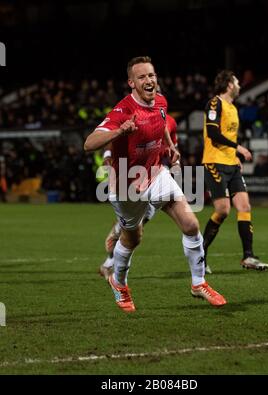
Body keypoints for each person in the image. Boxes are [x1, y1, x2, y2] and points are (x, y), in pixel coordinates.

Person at [84, 56, 226, 312]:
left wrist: (171, 149)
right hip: (126, 181)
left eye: (152, 75)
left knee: (191, 223)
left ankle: (198, 282)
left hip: (155, 172)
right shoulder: (122, 111)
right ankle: (118, 281)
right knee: (133, 238)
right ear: (131, 83)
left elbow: (160, 124)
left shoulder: (160, 101)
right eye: (142, 77)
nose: (149, 80)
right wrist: (119, 132)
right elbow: (89, 143)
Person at [202, 70, 268, 273]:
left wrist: (235, 156)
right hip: (214, 163)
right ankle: (200, 254)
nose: (240, 84)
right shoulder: (215, 103)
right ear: (230, 84)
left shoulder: (233, 107)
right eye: (237, 81)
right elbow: (213, 133)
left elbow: (227, 136)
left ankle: (248, 256)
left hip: (231, 164)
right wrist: (238, 148)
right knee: (223, 210)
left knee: (244, 206)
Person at [99, 113, 179, 280]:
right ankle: (111, 258)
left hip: (157, 172)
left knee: (143, 219)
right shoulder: (132, 117)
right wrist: (107, 157)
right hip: (134, 173)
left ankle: (111, 256)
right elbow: (112, 137)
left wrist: (175, 163)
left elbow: (172, 145)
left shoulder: (170, 121)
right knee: (135, 224)